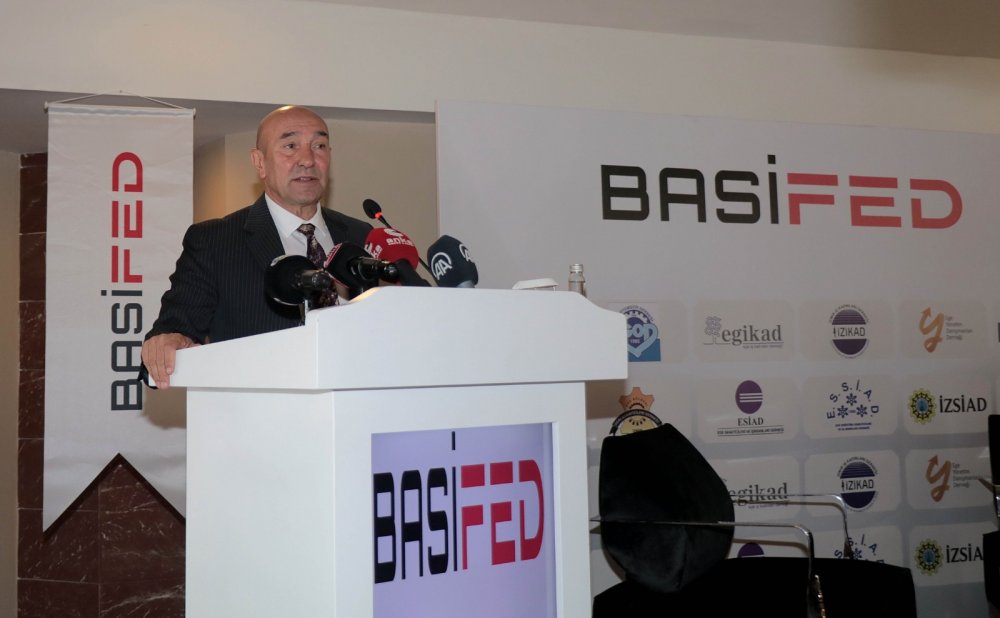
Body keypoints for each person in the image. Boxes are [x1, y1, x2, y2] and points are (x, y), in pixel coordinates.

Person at [141, 105, 372, 388]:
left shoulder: (362, 235)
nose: (307, 159)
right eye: (290, 146)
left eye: (319, 146)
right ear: (259, 162)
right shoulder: (215, 241)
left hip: (358, 401)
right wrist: (170, 341)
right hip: (258, 406)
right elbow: (176, 327)